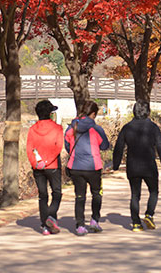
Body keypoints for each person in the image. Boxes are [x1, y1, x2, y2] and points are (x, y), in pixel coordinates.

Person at [113, 100, 161, 232]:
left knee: (135, 195)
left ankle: (136, 223)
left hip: (133, 166)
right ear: (148, 112)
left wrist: (115, 165)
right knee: (154, 191)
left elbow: (119, 147)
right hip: (149, 165)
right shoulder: (153, 127)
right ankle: (149, 214)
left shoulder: (127, 128)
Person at [65, 100, 110, 236]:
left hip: (75, 166)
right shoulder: (96, 129)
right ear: (94, 113)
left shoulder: (71, 127)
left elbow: (67, 146)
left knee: (80, 196)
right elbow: (104, 145)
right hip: (93, 166)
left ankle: (79, 225)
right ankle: (94, 221)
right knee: (97, 193)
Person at [26, 99, 63, 236]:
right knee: (57, 193)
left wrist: (36, 163)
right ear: (50, 113)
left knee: (43, 196)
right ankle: (51, 216)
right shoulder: (57, 128)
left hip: (37, 167)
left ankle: (45, 227)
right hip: (52, 165)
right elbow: (58, 147)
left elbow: (29, 149)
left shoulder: (32, 129)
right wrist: (47, 161)